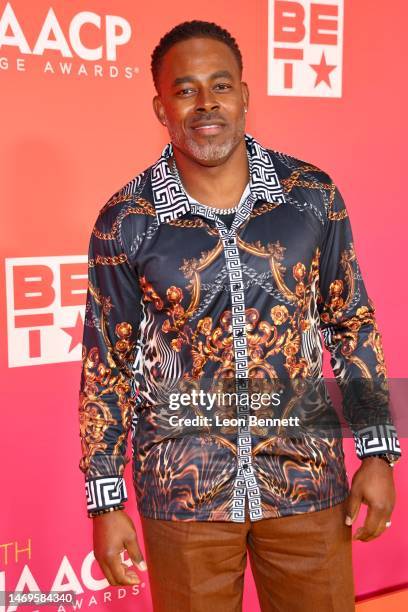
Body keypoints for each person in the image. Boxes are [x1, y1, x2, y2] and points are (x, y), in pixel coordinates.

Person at [78, 20, 402, 612]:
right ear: (161, 106)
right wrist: (105, 502)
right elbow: (108, 367)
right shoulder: (125, 221)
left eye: (221, 86)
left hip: (307, 481)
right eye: (186, 90)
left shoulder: (312, 196)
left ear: (246, 96)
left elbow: (350, 323)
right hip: (183, 495)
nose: (207, 105)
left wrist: (377, 454)